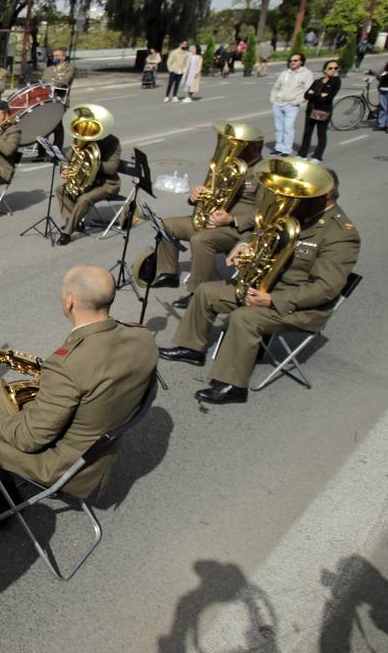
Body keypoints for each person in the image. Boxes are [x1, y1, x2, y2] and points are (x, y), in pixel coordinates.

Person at [0, 265, 157, 521]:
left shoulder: (67, 364)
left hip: (64, 465)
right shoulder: (143, 337)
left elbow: (30, 439)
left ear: (69, 302)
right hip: (94, 442)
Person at [160, 167, 359, 404]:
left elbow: (326, 288)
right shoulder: (298, 212)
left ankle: (233, 385)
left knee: (245, 318)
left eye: (303, 194)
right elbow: (260, 232)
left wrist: (274, 300)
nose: (294, 199)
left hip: (298, 306)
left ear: (325, 196)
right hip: (265, 287)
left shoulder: (340, 234)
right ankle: (191, 348)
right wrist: (244, 245)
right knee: (206, 291)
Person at [150, 124, 265, 307]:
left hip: (236, 229)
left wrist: (231, 219)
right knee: (166, 225)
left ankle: (197, 292)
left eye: (240, 146)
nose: (234, 151)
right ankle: (169, 272)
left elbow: (263, 214)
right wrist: (196, 195)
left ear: (255, 148)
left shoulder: (263, 173)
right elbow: (210, 192)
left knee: (200, 240)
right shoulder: (228, 165)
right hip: (210, 220)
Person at [55, 126, 121, 245]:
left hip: (106, 183)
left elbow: (112, 168)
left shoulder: (112, 142)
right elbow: (66, 158)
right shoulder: (83, 138)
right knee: (60, 189)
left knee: (84, 199)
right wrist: (65, 168)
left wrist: (92, 163)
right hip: (86, 181)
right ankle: (76, 221)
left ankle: (67, 232)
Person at [269, 53, 313, 155]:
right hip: (278, 103)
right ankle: (279, 147)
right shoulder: (285, 73)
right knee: (279, 127)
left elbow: (307, 90)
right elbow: (276, 87)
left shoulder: (306, 74)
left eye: (295, 60)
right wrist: (273, 99)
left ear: (301, 61)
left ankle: (287, 149)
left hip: (292, 105)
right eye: (291, 61)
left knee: (288, 127)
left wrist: (297, 101)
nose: (292, 62)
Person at [299, 60, 342, 159]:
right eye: (330, 68)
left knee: (321, 133)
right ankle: (302, 154)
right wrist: (319, 95)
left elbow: (328, 97)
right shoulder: (317, 81)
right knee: (307, 133)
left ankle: (317, 156)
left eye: (336, 68)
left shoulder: (336, 81)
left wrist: (313, 94)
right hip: (311, 110)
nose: (333, 70)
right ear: (325, 70)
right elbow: (306, 95)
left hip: (323, 111)